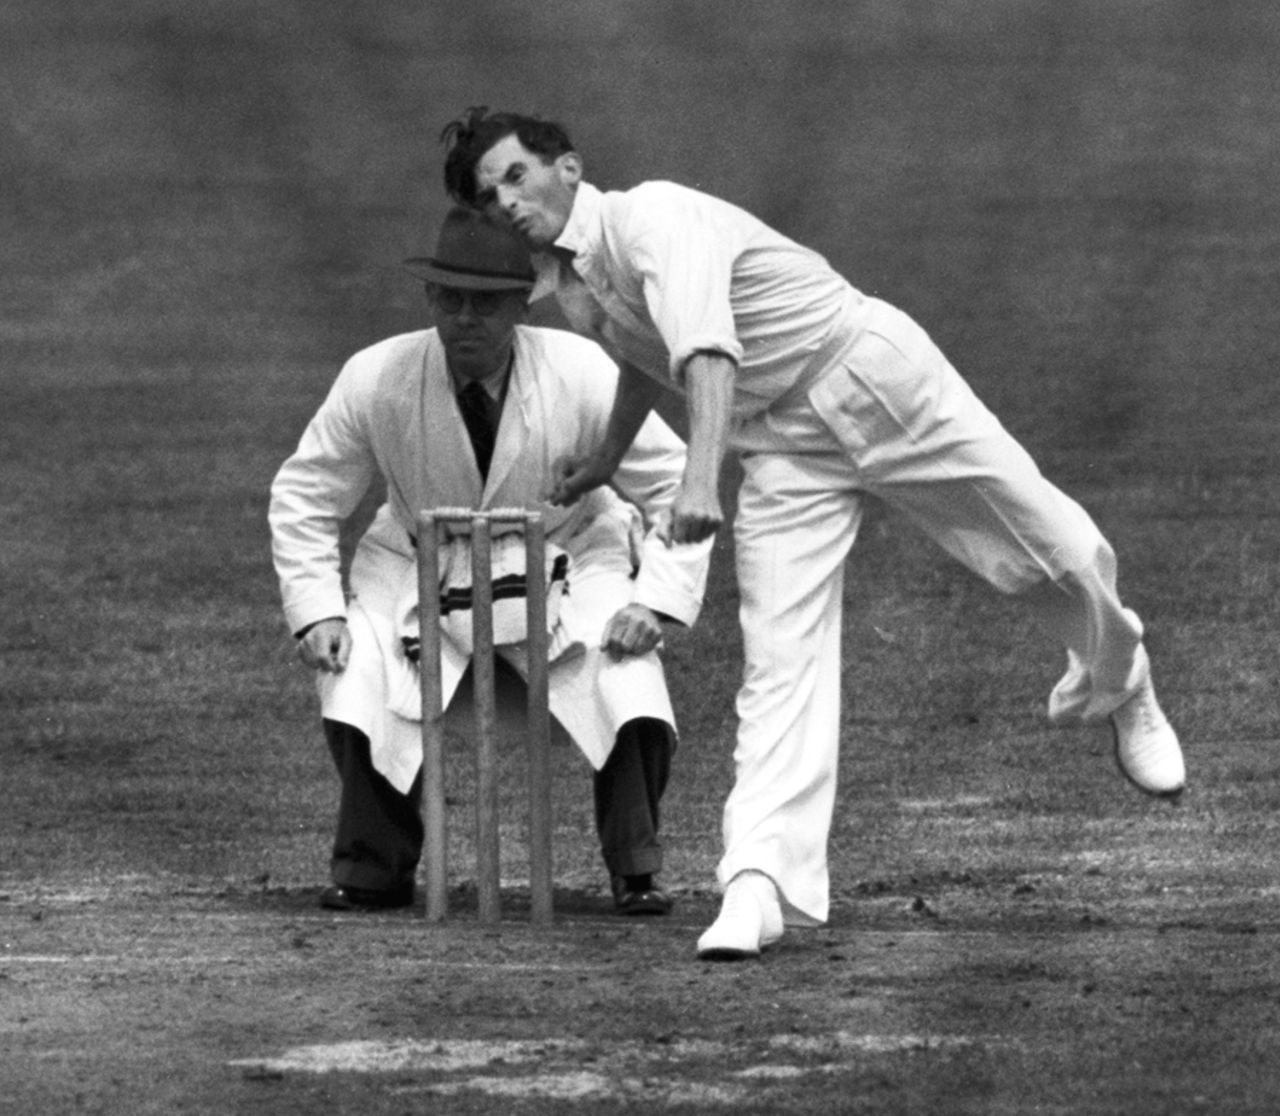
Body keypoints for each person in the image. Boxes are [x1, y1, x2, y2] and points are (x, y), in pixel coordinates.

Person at [439, 105, 1187, 961]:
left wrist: (696, 476)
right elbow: (648, 360)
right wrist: (608, 458)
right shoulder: (570, 285)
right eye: (488, 194)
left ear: (567, 169)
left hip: (869, 376)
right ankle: (758, 882)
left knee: (1051, 548)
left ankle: (1124, 680)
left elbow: (705, 355)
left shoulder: (654, 220)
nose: (505, 202)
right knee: (779, 659)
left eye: (515, 176)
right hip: (783, 449)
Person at [269, 206, 711, 917]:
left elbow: (673, 484)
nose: (465, 319)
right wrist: (316, 611)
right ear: (430, 299)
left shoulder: (580, 368)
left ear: (520, 302)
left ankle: (636, 867)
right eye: (451, 299)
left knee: (628, 676)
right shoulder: (375, 375)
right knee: (356, 670)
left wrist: (655, 600)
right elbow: (305, 492)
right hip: (421, 564)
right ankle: (372, 866)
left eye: (485, 302)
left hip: (567, 557)